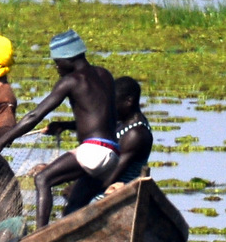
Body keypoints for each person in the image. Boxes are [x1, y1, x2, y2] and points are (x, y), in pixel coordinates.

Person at [0, 30, 116, 229]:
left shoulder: (71, 81)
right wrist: (65, 125)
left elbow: (35, 115)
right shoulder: (104, 74)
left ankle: (40, 236)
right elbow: (100, 116)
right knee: (74, 205)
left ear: (68, 58)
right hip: (113, 152)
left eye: (57, 62)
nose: (56, 67)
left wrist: (1, 142)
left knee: (43, 178)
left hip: (93, 152)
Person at [43, 76, 152, 215]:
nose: (109, 108)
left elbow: (110, 176)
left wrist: (76, 187)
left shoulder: (136, 134)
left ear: (128, 101)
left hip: (115, 195)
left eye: (113, 103)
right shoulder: (120, 123)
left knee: (73, 204)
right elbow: (97, 127)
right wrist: (63, 125)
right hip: (97, 186)